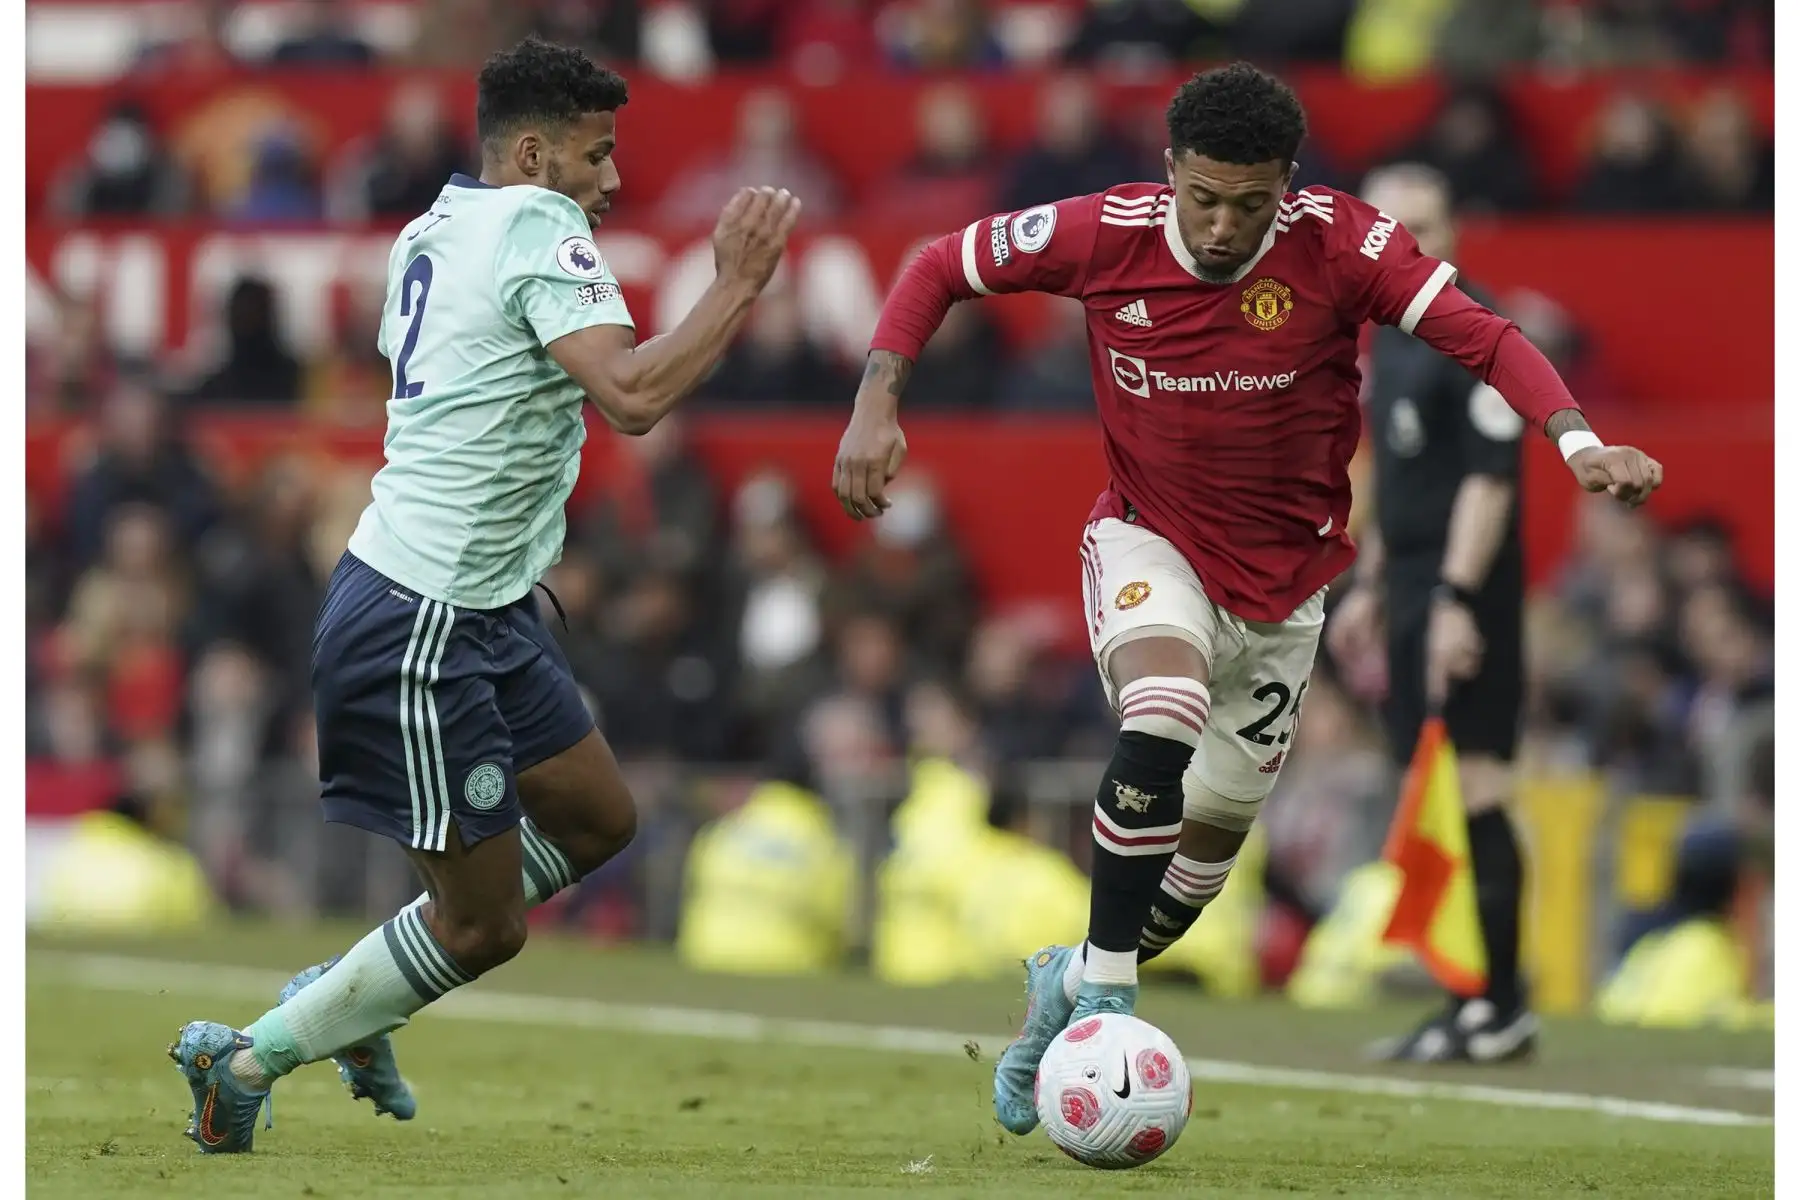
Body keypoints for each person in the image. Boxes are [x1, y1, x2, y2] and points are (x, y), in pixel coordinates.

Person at [830, 61, 1662, 1137]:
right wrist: (875, 401)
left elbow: (1484, 334)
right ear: (1170, 171)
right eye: (1205, 197)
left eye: (1252, 203)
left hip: (1285, 593)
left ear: (1290, 185)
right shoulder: (1101, 232)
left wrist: (1580, 442)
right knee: (1162, 713)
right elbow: (940, 264)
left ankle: (1066, 991)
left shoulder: (1344, 243)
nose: (1224, 227)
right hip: (1150, 540)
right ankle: (1112, 1008)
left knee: (1196, 872)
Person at [166, 36, 800, 1153]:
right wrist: (739, 284)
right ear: (531, 151)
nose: (611, 182)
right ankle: (251, 1058)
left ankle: (366, 982)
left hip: (481, 604)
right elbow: (635, 394)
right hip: (425, 617)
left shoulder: (433, 225)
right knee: (486, 926)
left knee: (601, 819)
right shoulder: (532, 223)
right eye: (597, 158)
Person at [1326, 163, 1534, 1063]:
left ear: (1453, 233)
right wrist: (1371, 582)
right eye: (1392, 230)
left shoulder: (1475, 333)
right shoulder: (1394, 338)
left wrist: (1452, 598)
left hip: (1465, 591)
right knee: (1431, 795)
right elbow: (1398, 476)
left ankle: (1502, 1003)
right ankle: (1463, 1002)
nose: (1408, 246)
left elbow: (1491, 481)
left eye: (1425, 227)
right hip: (1408, 581)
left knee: (1475, 782)